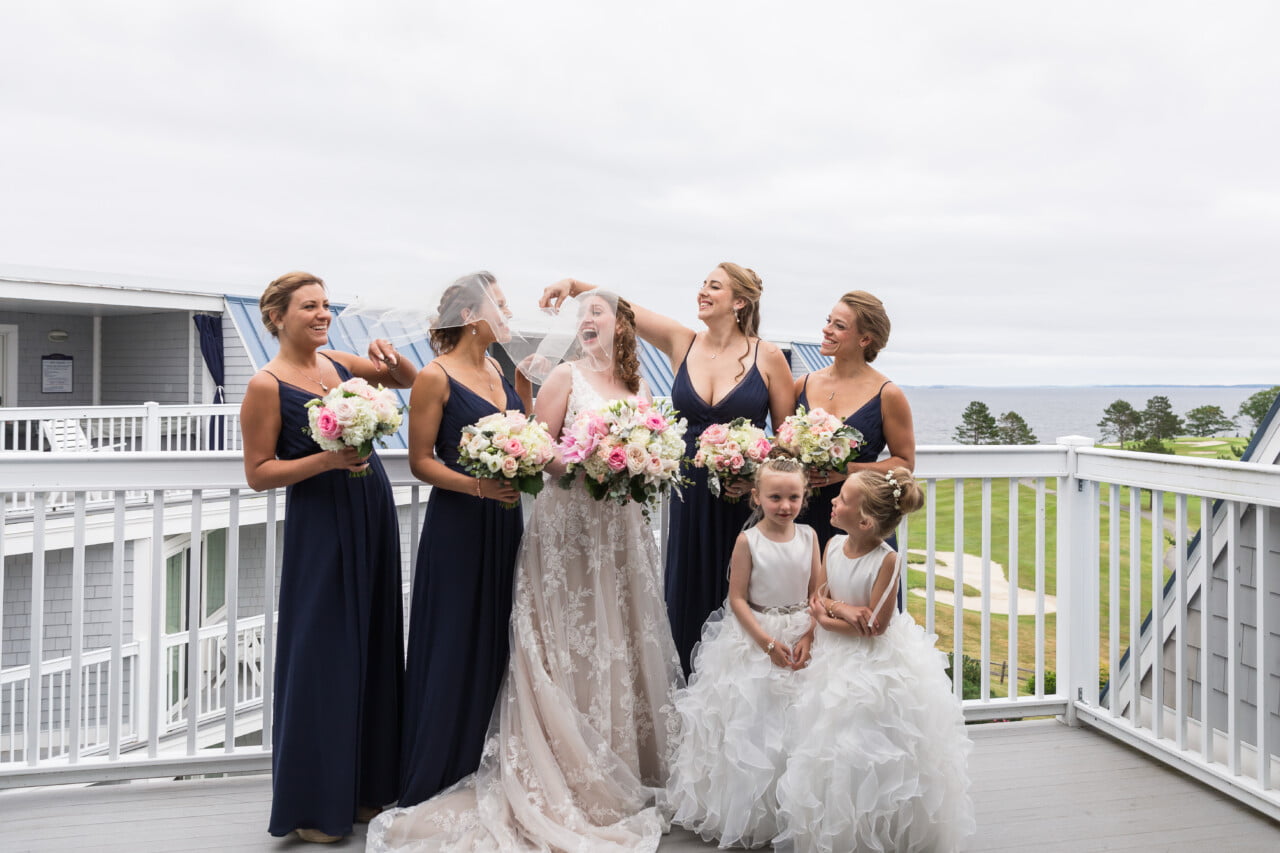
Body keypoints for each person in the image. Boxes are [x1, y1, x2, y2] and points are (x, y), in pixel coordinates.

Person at [369, 291, 684, 851]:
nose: (587, 321)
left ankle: (619, 760)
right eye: (581, 315)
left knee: (619, 636)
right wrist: (591, 461)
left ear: (621, 327)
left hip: (620, 532)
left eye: (598, 314)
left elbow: (654, 448)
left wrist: (645, 461)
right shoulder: (564, 377)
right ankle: (563, 764)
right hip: (568, 527)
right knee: (565, 640)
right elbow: (540, 449)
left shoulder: (638, 385)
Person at [541, 265, 795, 675]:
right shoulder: (683, 342)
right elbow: (625, 308)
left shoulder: (767, 356)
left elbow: (786, 440)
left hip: (744, 501)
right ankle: (692, 704)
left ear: (740, 301)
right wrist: (574, 285)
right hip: (691, 496)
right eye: (702, 285)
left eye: (714, 286)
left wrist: (755, 477)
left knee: (744, 596)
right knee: (688, 592)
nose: (702, 292)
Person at [240, 271, 415, 843]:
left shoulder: (337, 364)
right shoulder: (266, 385)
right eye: (309, 307)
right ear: (277, 317)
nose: (322, 315)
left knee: (373, 639)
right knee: (323, 652)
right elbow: (259, 473)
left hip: (370, 507)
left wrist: (389, 359)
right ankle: (315, 803)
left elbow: (409, 382)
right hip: (321, 522)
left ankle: (367, 789)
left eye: (325, 306)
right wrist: (328, 461)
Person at [775, 468, 975, 852]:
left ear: (865, 520)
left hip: (872, 665)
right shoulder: (832, 545)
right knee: (828, 743)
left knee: (868, 744)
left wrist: (825, 618)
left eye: (843, 499)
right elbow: (819, 593)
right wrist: (841, 608)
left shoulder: (888, 560)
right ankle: (838, 829)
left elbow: (875, 628)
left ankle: (882, 831)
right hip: (831, 660)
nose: (833, 501)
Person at [397, 272, 528, 809]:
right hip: (459, 523)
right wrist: (477, 483)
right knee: (455, 637)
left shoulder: (498, 368)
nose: (509, 317)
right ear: (473, 317)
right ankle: (438, 771)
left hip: (505, 519)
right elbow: (420, 461)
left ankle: (486, 760)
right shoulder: (435, 377)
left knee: (500, 635)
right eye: (501, 307)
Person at [665, 452, 820, 848]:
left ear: (804, 498)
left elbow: (817, 594)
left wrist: (808, 636)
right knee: (754, 721)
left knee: (802, 721)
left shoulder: (810, 536)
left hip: (802, 631)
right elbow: (737, 600)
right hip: (757, 633)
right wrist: (766, 642)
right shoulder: (747, 541)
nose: (785, 506)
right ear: (756, 497)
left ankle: (797, 809)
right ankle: (753, 811)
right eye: (775, 498)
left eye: (794, 498)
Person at [794, 290, 915, 553]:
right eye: (828, 321)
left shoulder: (888, 394)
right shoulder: (803, 383)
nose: (826, 330)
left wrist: (847, 470)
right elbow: (783, 444)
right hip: (802, 516)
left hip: (859, 518)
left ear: (865, 339)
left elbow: (905, 463)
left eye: (839, 326)